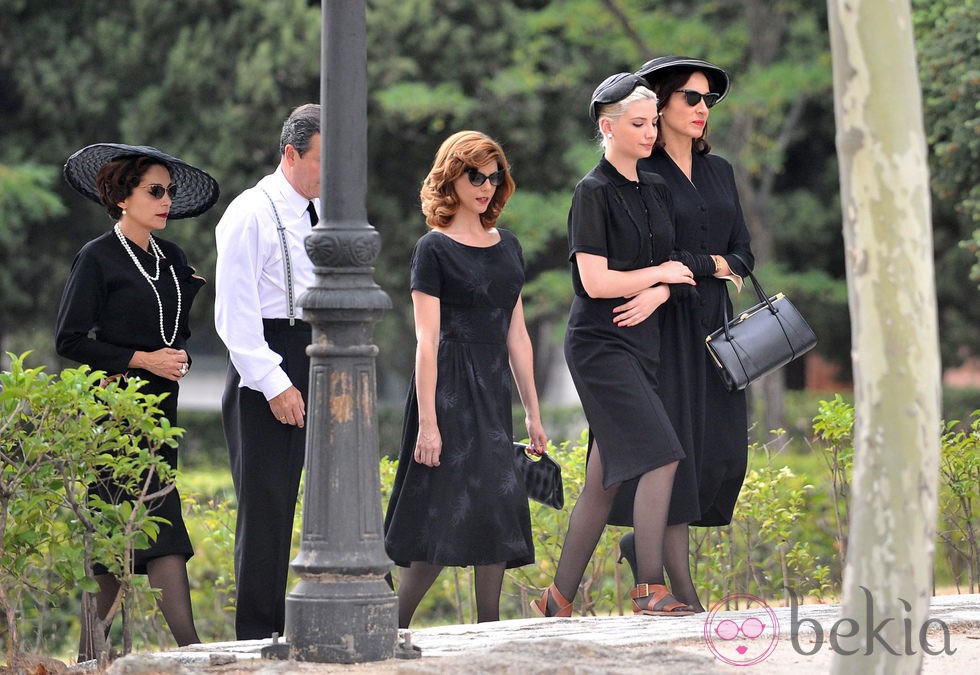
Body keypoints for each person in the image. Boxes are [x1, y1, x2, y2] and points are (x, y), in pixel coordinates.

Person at [532, 74, 697, 618]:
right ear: (608, 127)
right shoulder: (591, 192)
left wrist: (659, 288)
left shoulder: (656, 190)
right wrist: (662, 275)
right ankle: (649, 586)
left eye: (652, 123)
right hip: (601, 345)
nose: (650, 133)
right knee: (663, 454)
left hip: (643, 340)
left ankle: (556, 599)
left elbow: (674, 273)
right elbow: (596, 282)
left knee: (603, 479)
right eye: (638, 124)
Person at [57, 142, 219, 658]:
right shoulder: (97, 257)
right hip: (115, 413)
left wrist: (175, 357)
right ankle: (189, 652)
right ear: (123, 197)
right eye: (155, 191)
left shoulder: (172, 258)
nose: (165, 200)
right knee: (137, 530)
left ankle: (89, 656)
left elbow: (176, 332)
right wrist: (144, 360)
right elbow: (70, 340)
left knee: (132, 534)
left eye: (169, 192)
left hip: (159, 415)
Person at [383, 130, 550, 628]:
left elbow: (518, 337)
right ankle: (391, 625)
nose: (485, 186)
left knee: (497, 504)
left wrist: (535, 416)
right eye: (475, 175)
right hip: (448, 390)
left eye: (493, 177)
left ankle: (489, 629)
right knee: (443, 512)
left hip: (493, 389)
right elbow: (426, 342)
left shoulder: (509, 246)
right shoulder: (431, 249)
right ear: (450, 176)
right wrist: (428, 424)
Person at [612, 56, 754, 613]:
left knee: (722, 452)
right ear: (661, 104)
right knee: (680, 454)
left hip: (716, 328)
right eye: (691, 98)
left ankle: (639, 542)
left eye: (707, 101)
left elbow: (742, 252)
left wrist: (703, 266)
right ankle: (679, 590)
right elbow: (652, 257)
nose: (701, 109)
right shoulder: (642, 175)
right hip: (664, 328)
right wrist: (706, 266)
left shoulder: (720, 173)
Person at [214, 103, 320, 640]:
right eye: (323, 161)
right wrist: (276, 384)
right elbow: (234, 317)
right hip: (267, 361)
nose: (331, 175)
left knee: (338, 497)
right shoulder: (249, 212)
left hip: (322, 353)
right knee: (267, 510)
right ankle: (258, 637)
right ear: (291, 153)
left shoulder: (326, 210)